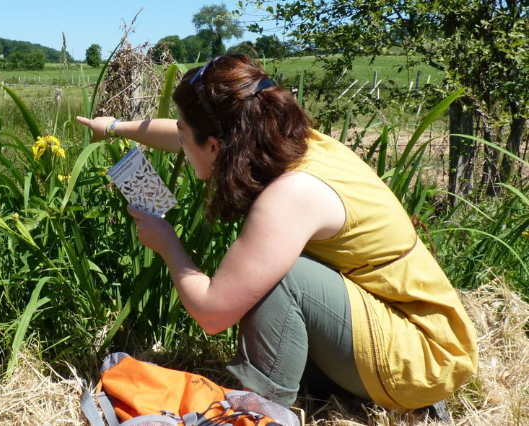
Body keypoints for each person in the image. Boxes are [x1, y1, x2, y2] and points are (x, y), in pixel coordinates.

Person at [76, 54, 478, 414]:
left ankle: (260, 414)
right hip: (416, 331)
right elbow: (188, 133)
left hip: (420, 358)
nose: (179, 141)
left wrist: (167, 244)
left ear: (215, 147)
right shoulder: (289, 144)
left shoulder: (290, 196)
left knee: (282, 278)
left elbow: (213, 313)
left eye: (185, 135)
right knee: (273, 269)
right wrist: (112, 127)